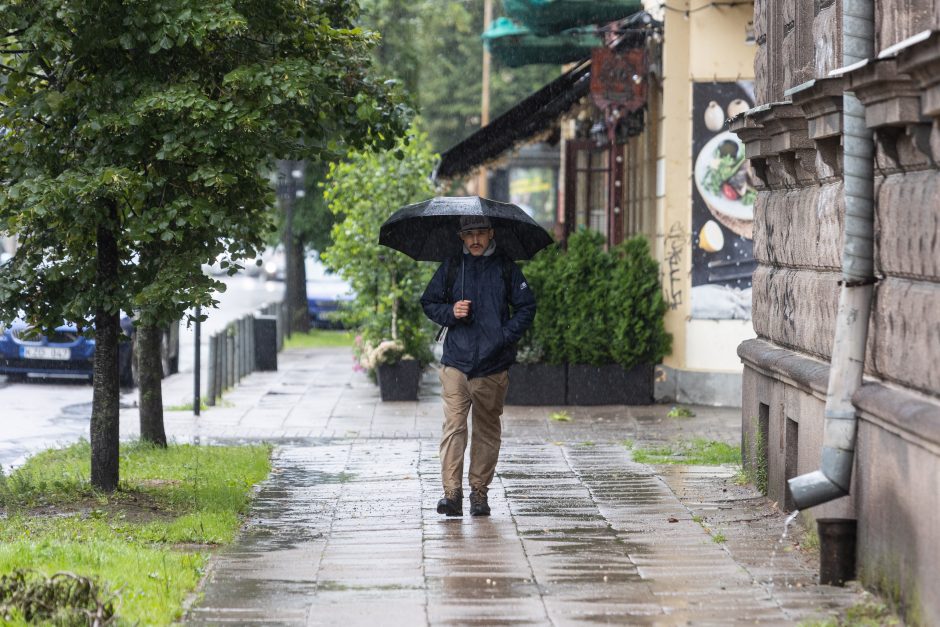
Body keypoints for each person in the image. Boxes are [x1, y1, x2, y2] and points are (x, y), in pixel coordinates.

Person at [420, 215, 536, 516]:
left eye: (480, 234)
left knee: (486, 430)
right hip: (456, 363)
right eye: (469, 234)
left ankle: (479, 494)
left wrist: (504, 335)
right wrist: (451, 311)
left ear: (491, 234)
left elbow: (527, 306)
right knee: (454, 427)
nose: (474, 240)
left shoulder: (505, 266)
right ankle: (452, 494)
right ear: (460, 236)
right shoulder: (451, 266)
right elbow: (429, 302)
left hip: (493, 365)